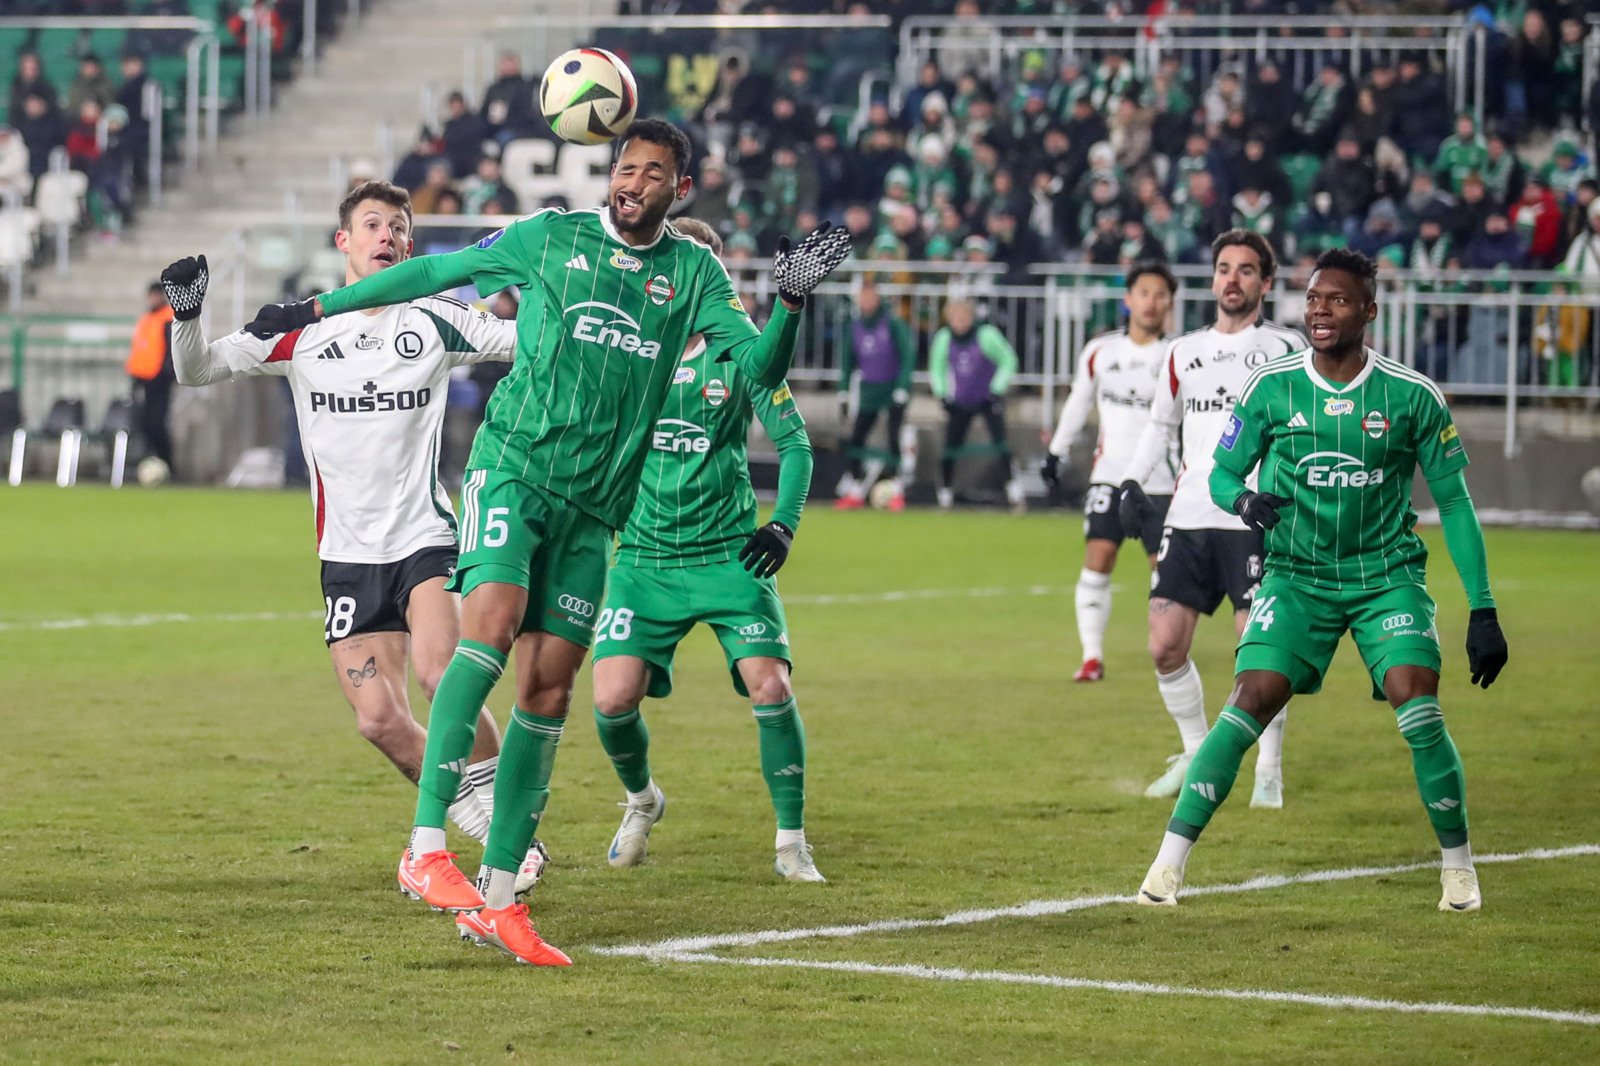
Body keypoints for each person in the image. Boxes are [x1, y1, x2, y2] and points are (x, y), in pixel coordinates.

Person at [242, 119, 850, 966]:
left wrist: (788, 304)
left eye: (654, 173)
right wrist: (318, 307)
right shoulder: (551, 237)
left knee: (551, 691)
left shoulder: (695, 272)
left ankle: (498, 898)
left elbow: (756, 373)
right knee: (486, 633)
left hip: (597, 508)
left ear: (680, 191)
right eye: (625, 167)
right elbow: (434, 271)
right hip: (514, 469)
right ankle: (425, 851)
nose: (633, 182)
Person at [160, 180, 548, 896]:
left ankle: (508, 829)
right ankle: (469, 812)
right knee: (378, 721)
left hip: (424, 540)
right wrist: (187, 315)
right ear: (344, 242)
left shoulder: (436, 318)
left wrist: (555, 292)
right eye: (372, 224)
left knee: (443, 676)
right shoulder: (300, 326)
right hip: (345, 555)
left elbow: (531, 344)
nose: (388, 237)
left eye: (399, 227)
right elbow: (196, 368)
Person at [1136, 248, 1508, 912]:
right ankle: (1167, 867)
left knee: (1417, 704)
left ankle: (1458, 867)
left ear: (1368, 309)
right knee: (1249, 699)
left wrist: (1483, 609)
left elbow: (1454, 503)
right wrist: (1244, 501)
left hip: (1383, 576)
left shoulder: (1412, 395)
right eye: (1312, 299)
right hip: (1296, 576)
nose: (1320, 310)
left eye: (1336, 300)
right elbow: (1221, 474)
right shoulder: (1272, 387)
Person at [588, 218, 821, 882]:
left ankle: (791, 842)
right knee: (610, 700)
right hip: (643, 559)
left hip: (727, 555)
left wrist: (783, 525)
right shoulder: (624, 348)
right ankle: (642, 800)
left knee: (770, 685)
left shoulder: (737, 349)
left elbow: (795, 442)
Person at [1119, 231, 1306, 807]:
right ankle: (1198, 752)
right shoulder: (1183, 352)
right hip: (1191, 512)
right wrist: (1130, 479)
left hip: (1254, 514)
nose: (1232, 279)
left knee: (1258, 649)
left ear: (1265, 284)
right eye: (1224, 268)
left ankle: (1268, 771)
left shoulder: (1284, 348)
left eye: (1246, 271)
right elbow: (1160, 425)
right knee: (1163, 645)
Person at [1042, 262, 1176, 683]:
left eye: (1159, 294)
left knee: (1166, 572)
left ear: (1169, 303)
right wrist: (1056, 451)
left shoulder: (1177, 355)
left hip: (1161, 480)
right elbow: (1079, 402)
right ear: (1128, 299)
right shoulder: (1101, 351)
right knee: (1098, 557)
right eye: (1143, 292)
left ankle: (1169, 650)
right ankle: (1092, 656)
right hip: (1111, 475)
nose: (1150, 302)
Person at [930, 295, 1020, 510]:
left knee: (1001, 445)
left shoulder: (986, 335)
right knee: (950, 448)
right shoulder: (944, 338)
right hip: (960, 400)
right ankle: (945, 494)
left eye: (963, 316)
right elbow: (937, 367)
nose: (959, 321)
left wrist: (997, 389)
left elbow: (1008, 360)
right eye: (954, 316)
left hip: (987, 399)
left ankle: (1015, 492)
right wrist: (942, 394)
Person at [834, 279, 916, 511]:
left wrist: (902, 387)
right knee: (857, 439)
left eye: (870, 296)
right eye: (863, 296)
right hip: (869, 390)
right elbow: (847, 362)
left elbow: (907, 356)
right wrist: (843, 392)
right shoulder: (855, 327)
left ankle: (897, 489)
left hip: (891, 390)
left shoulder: (892, 323)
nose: (866, 301)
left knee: (894, 440)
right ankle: (855, 489)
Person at [125, 282, 176, 472]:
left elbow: (171, 351)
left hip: (159, 381)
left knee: (157, 424)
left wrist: (165, 374)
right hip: (142, 379)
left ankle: (166, 463)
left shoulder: (167, 319)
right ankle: (149, 462)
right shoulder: (146, 319)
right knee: (143, 424)